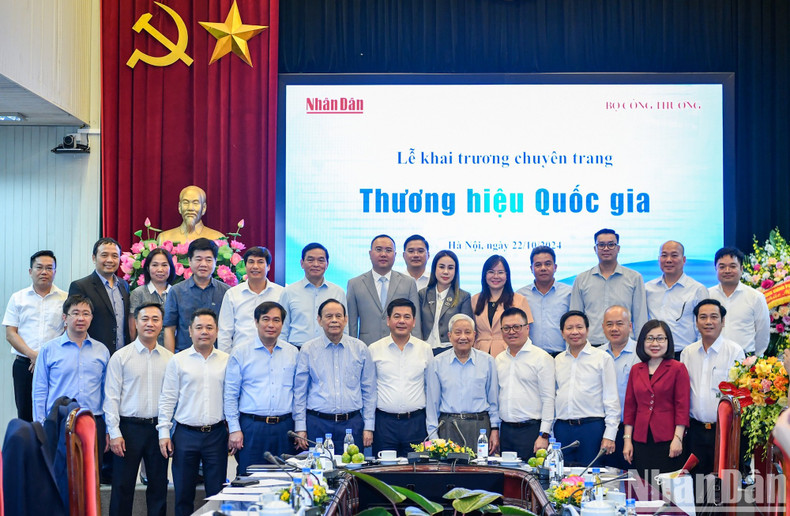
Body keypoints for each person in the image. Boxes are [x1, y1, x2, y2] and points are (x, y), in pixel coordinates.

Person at [157, 308, 229, 516]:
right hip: (185, 435)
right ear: (190, 331)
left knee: (216, 495)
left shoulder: (226, 360)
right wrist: (164, 433)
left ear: (216, 331)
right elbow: (167, 399)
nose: (204, 332)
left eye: (209, 327)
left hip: (216, 435)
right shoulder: (178, 361)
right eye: (199, 327)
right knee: (183, 495)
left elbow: (232, 399)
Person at [104, 302, 173, 516]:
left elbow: (171, 399)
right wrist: (114, 433)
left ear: (162, 324)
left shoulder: (170, 360)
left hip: (157, 430)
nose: (150, 324)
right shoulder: (121, 357)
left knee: (158, 487)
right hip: (128, 429)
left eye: (155, 319)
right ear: (135, 322)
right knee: (123, 487)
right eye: (145, 319)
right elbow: (111, 397)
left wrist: (167, 431)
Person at [32, 295, 110, 464]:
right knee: (59, 476)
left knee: (91, 476)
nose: (81, 318)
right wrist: (40, 426)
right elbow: (39, 391)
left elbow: (107, 392)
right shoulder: (48, 350)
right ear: (65, 317)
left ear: (91, 318)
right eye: (75, 313)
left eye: (86, 313)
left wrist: (109, 428)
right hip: (58, 422)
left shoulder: (101, 350)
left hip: (92, 421)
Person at [225, 301, 298, 475]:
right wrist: (234, 429)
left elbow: (298, 393)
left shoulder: (293, 352)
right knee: (249, 478)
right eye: (265, 319)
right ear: (256, 322)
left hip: (285, 427)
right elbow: (230, 395)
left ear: (282, 324)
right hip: (252, 427)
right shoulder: (241, 352)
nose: (271, 325)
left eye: (276, 320)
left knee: (285, 480)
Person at [294, 299, 376, 453]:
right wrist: (300, 427)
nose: (334, 320)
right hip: (318, 424)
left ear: (345, 319)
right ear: (319, 320)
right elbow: (300, 392)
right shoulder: (308, 349)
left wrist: (369, 427)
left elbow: (369, 391)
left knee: (352, 474)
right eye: (328, 316)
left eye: (338, 316)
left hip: (352, 424)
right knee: (319, 473)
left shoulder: (360, 348)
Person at [680, 299, 745, 475]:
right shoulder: (687, 352)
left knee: (722, 485)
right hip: (695, 431)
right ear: (696, 322)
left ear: (723, 322)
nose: (708, 322)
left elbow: (740, 393)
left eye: (714, 317)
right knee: (696, 483)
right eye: (703, 317)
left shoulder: (735, 351)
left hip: (724, 433)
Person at [3, 250, 67, 421]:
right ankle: (29, 448)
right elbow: (10, 333)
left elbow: (67, 333)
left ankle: (50, 448)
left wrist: (44, 359)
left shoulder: (65, 299)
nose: (44, 272)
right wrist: (34, 356)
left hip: (54, 366)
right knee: (25, 414)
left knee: (53, 414)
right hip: (24, 365)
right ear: (30, 271)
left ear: (55, 272)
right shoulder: (18, 298)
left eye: (49, 268)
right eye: (39, 267)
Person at [623, 320, 690, 480]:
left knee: (666, 490)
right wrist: (627, 440)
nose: (655, 343)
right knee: (643, 489)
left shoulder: (677, 368)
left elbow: (682, 407)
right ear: (642, 342)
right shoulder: (636, 369)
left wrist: (678, 439)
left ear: (668, 341)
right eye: (650, 338)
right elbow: (630, 407)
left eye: (660, 338)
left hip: (668, 439)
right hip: (641, 440)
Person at [553, 310, 620, 466]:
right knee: (562, 478)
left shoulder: (602, 358)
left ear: (587, 330)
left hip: (591, 429)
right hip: (562, 429)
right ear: (562, 333)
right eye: (569, 328)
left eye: (579, 327)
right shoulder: (557, 360)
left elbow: (611, 399)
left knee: (591, 478)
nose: (575, 332)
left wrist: (610, 434)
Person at [426, 314, 500, 452]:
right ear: (449, 336)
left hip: (480, 427)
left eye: (467, 332)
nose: (463, 337)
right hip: (448, 426)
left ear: (475, 335)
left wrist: (495, 429)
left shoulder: (487, 361)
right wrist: (433, 436)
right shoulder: (437, 363)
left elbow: (493, 399)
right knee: (449, 472)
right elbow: (432, 404)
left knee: (478, 471)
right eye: (457, 332)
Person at [369, 298, 434, 456]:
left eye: (407, 317)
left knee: (416, 474)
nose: (401, 321)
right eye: (396, 316)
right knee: (384, 473)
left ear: (414, 321)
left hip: (416, 423)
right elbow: (369, 392)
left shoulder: (425, 349)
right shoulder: (374, 349)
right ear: (388, 321)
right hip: (384, 424)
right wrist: (368, 427)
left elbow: (430, 390)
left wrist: (431, 429)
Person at [570, 229, 647, 345]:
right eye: (601, 245)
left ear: (618, 248)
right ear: (595, 249)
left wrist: (641, 348)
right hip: (591, 347)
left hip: (625, 346)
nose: (606, 249)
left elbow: (640, 317)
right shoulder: (581, 279)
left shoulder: (634, 278)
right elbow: (575, 318)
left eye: (611, 245)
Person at [495, 307, 554, 459]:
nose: (511, 331)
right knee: (506, 479)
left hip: (531, 431)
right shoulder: (499, 359)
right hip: (506, 431)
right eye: (506, 328)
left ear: (527, 328)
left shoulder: (541, 358)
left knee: (531, 479)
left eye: (517, 327)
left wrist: (544, 435)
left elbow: (549, 399)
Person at [347, 234, 421, 344]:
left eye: (388, 250)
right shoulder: (355, 284)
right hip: (367, 347)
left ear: (395, 255)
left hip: (401, 346)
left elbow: (415, 322)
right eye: (378, 250)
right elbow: (351, 324)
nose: (383, 254)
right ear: (370, 253)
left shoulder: (408, 283)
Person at [164, 238, 230, 353]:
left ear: (215, 262)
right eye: (198, 259)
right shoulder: (176, 291)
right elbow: (169, 328)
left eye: (208, 260)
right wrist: (171, 360)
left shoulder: (226, 292)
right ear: (189, 261)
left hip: (217, 357)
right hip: (184, 357)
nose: (203, 264)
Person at [645, 241, 709, 357]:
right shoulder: (648, 289)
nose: (668, 260)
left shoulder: (697, 289)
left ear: (684, 260)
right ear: (659, 259)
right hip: (653, 354)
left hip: (684, 354)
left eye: (674, 255)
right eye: (664, 255)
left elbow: (703, 326)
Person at [69, 237, 131, 353]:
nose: (110, 260)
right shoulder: (80, 286)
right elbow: (74, 323)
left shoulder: (124, 285)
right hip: (92, 353)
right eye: (104, 255)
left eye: (114, 256)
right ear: (94, 258)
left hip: (122, 354)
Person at [279, 243, 346, 348]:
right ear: (302, 263)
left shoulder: (338, 292)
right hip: (297, 350)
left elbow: (344, 328)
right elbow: (282, 328)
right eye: (310, 260)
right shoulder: (289, 292)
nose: (316, 264)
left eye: (321, 260)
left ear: (327, 264)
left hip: (330, 349)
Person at [218, 246, 284, 352]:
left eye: (260, 262)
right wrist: (226, 360)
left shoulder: (281, 293)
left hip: (273, 355)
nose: (255, 266)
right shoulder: (232, 294)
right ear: (245, 266)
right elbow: (225, 332)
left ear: (268, 267)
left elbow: (285, 329)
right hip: (240, 357)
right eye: (251, 262)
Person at [707, 247, 770, 356]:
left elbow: (762, 333)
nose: (727, 271)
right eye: (722, 267)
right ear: (715, 269)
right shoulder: (707, 295)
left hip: (745, 359)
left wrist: (756, 358)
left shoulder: (755, 297)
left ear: (741, 269)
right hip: (712, 355)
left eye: (732, 266)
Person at [600, 305, 639, 470]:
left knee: (634, 482)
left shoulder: (642, 353)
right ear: (603, 327)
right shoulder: (597, 354)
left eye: (619, 323)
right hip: (605, 428)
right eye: (609, 324)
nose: (614, 328)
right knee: (606, 478)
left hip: (633, 427)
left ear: (630, 326)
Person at [471, 255, 533, 357]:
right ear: (484, 275)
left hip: (509, 354)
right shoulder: (474, 300)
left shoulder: (519, 300)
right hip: (479, 354)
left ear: (507, 275)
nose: (496, 276)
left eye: (500, 272)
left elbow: (527, 333)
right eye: (491, 272)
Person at [517, 246, 571, 356]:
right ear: (531, 268)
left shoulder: (569, 293)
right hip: (530, 356)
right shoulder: (520, 295)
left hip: (562, 355)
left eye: (547, 264)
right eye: (538, 265)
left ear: (555, 267)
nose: (543, 268)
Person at [418, 250, 473, 354]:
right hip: (424, 349)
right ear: (434, 269)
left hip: (450, 350)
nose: (446, 272)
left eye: (450, 268)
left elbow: (466, 329)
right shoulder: (422, 294)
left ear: (455, 271)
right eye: (441, 267)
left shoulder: (463, 297)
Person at [128, 247, 175, 346]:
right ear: (147, 268)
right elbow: (132, 328)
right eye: (155, 265)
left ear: (171, 268)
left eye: (164, 265)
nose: (160, 269)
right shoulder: (138, 293)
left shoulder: (176, 293)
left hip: (172, 350)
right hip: (144, 350)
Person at [158, 185, 225, 244]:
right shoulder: (164, 238)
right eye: (185, 202)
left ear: (203, 208)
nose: (190, 208)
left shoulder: (218, 239)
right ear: (179, 207)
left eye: (195, 203)